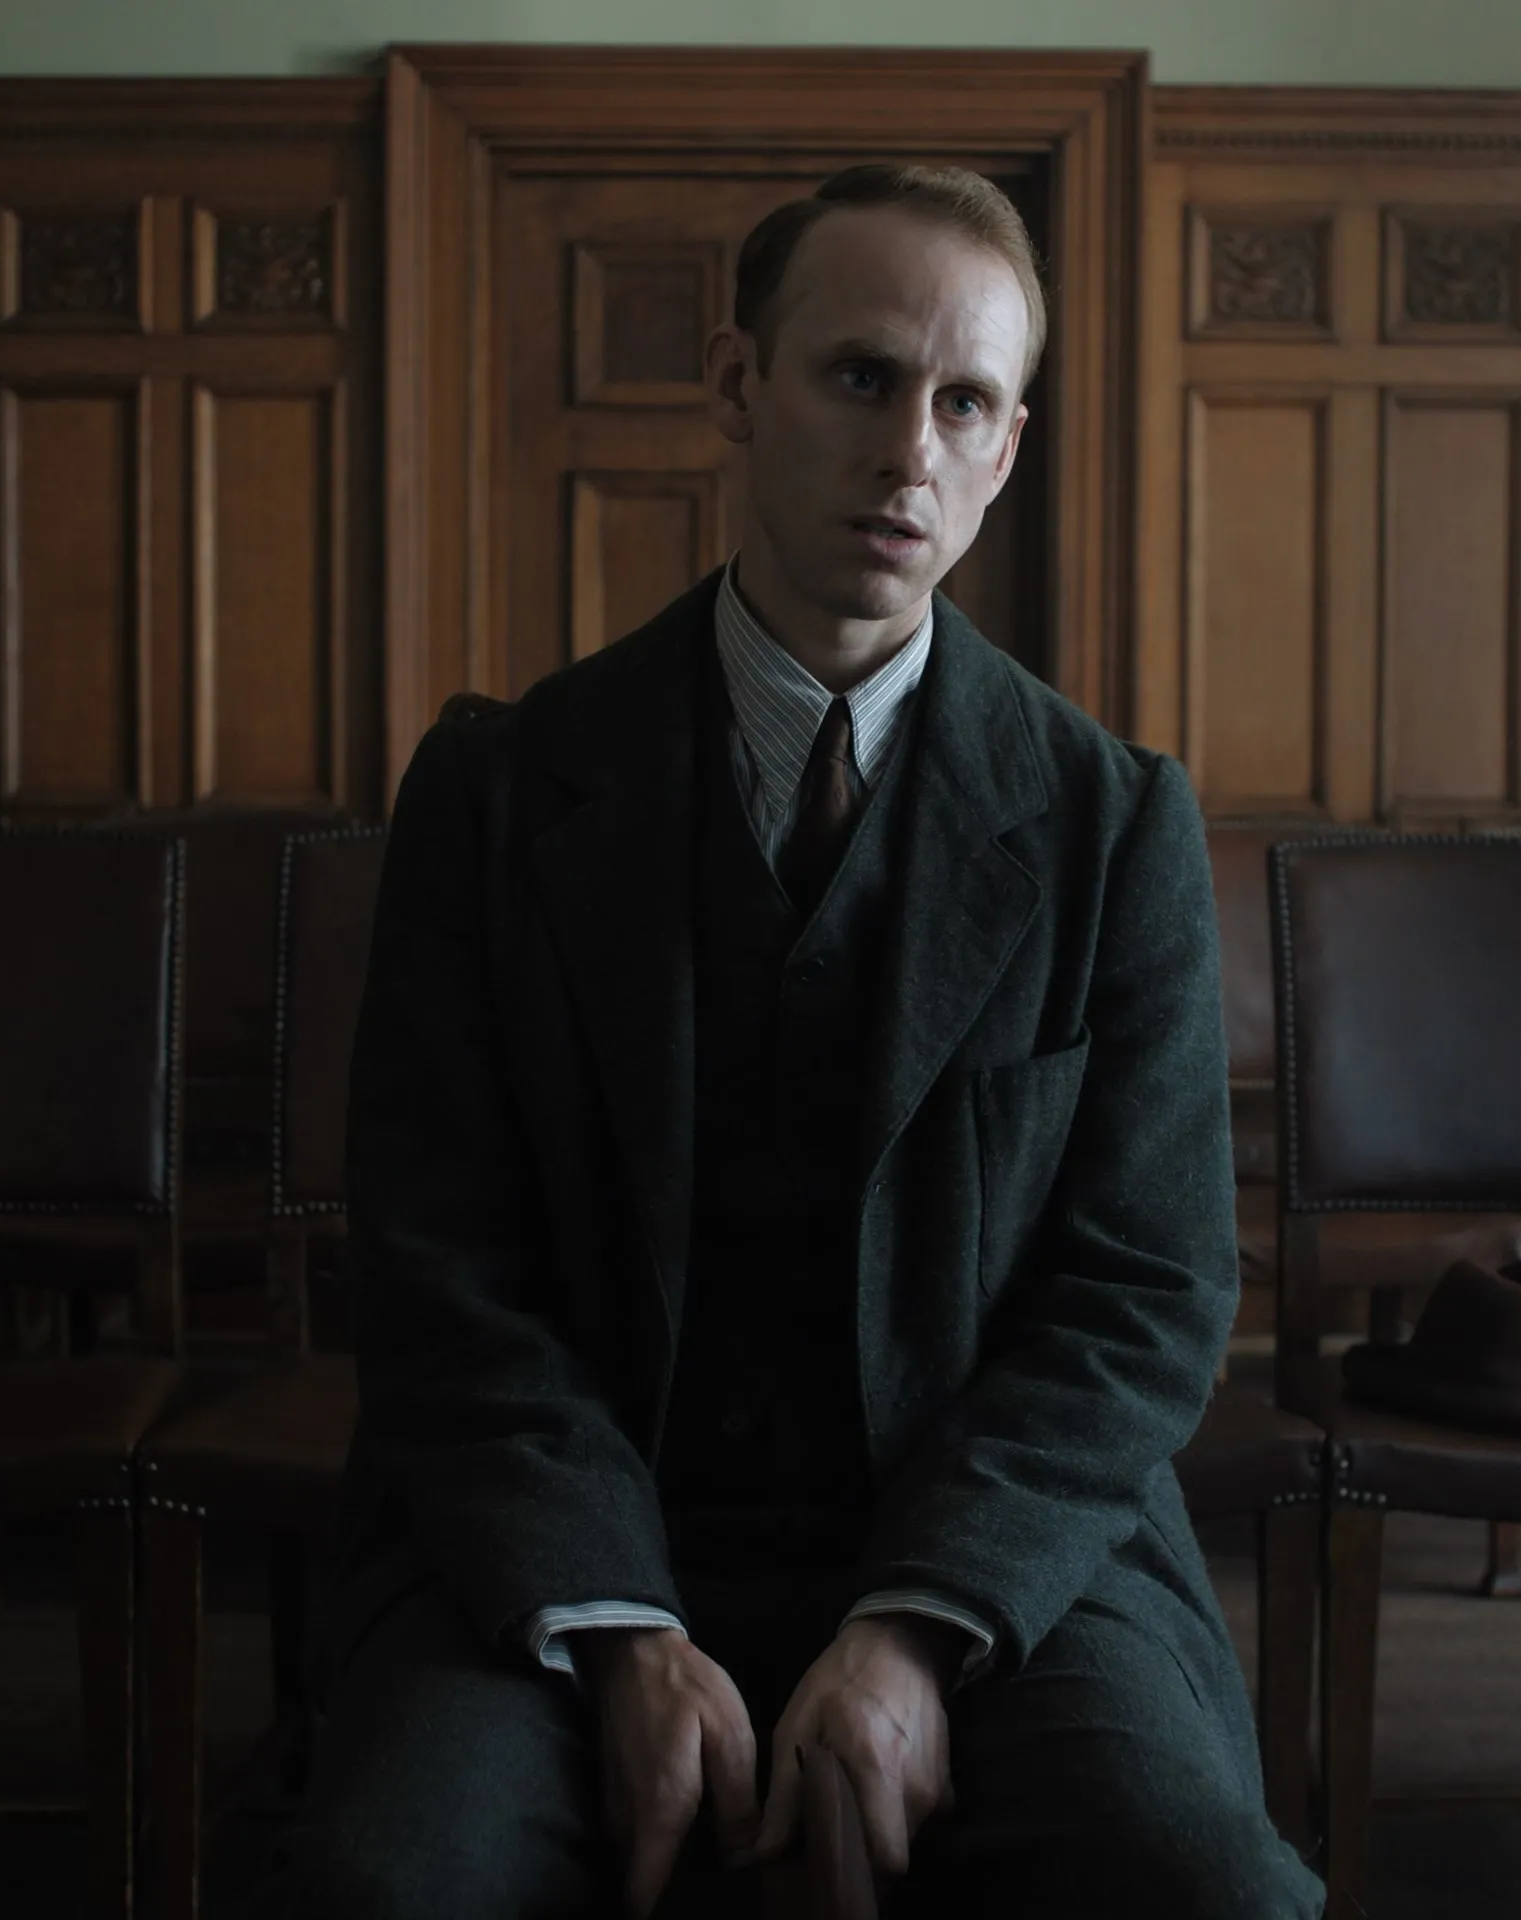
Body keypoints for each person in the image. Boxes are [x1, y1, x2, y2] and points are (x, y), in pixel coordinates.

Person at [262, 163, 1320, 1920]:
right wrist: (618, 1622)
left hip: (991, 1554)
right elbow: (440, 1266)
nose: (909, 451)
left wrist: (917, 1626)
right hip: (567, 1539)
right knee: (390, 1892)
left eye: (963, 403)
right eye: (860, 377)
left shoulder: (1112, 820)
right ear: (739, 384)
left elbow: (1146, 1294)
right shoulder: (501, 790)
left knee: (1213, 1896)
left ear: (1007, 448)